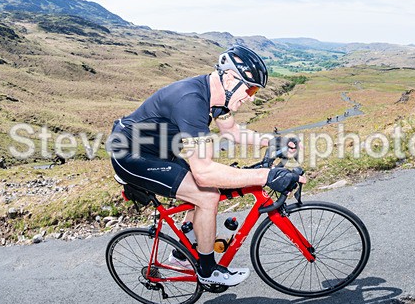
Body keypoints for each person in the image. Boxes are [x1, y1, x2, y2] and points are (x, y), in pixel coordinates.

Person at [108, 45, 303, 287]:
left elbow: (231, 131)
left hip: (158, 150)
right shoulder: (191, 101)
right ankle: (208, 270)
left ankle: (181, 256)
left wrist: (273, 141)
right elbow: (204, 172)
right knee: (207, 195)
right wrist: (266, 175)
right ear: (230, 78)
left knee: (203, 190)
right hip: (130, 155)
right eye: (250, 88)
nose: (251, 97)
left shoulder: (219, 98)